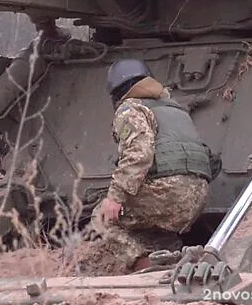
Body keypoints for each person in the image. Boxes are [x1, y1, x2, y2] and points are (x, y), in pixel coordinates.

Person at [72, 58, 214, 275]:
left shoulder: (130, 109)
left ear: (117, 92)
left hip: (168, 194)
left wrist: (115, 197)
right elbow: (210, 159)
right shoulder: (176, 110)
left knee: (102, 217)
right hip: (198, 197)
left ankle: (141, 264)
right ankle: (171, 259)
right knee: (154, 225)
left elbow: (139, 154)